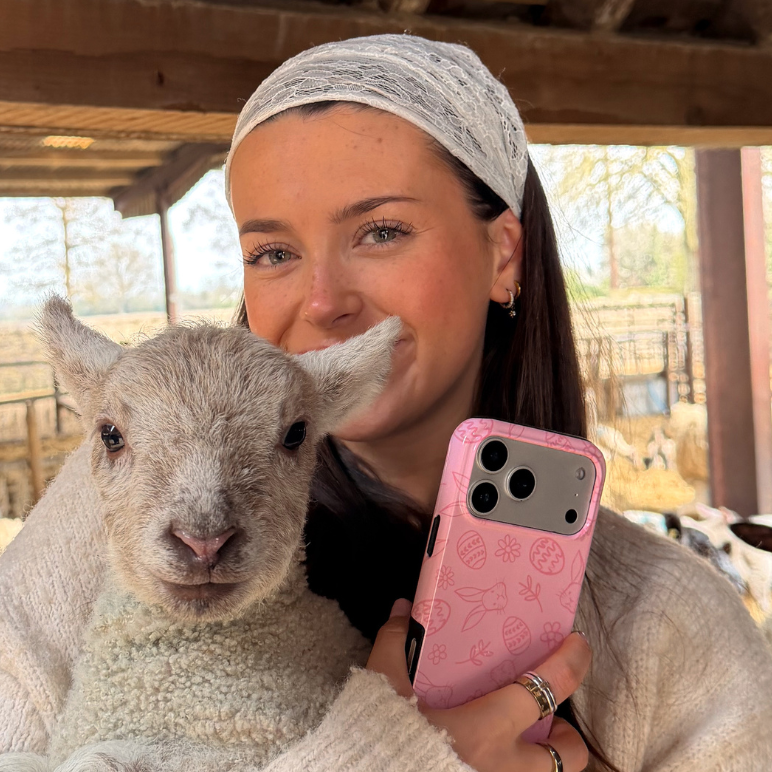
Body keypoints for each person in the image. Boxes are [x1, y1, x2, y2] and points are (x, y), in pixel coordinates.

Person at [1, 34, 771, 772]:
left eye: (380, 231)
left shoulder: (672, 624)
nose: (323, 301)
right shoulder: (110, 518)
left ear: (503, 254)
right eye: (272, 252)